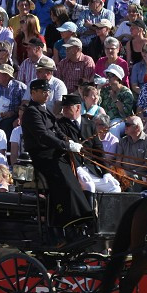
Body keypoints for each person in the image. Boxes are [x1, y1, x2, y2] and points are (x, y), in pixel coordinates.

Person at [21, 78, 94, 234]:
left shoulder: (45, 110)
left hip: (54, 152)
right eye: (43, 91)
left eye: (48, 91)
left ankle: (84, 216)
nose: (47, 94)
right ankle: (70, 220)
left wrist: (70, 142)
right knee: (64, 181)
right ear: (33, 93)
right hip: (42, 155)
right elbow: (43, 135)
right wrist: (66, 146)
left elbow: (57, 131)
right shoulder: (31, 112)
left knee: (74, 179)